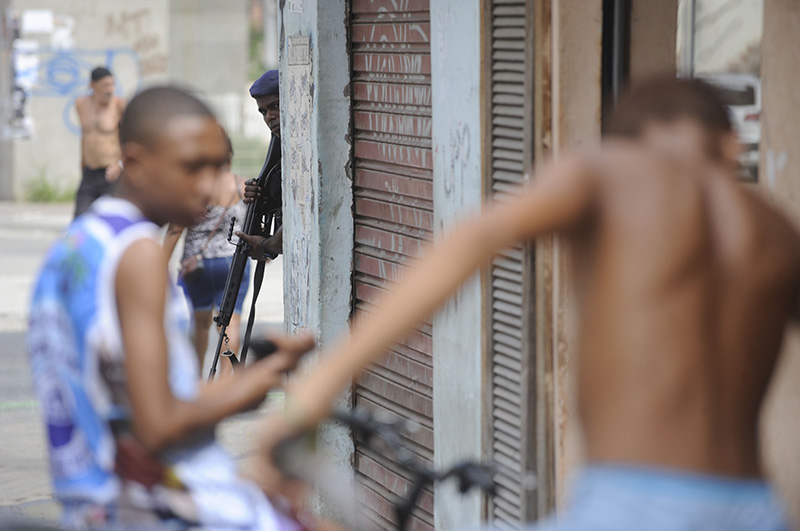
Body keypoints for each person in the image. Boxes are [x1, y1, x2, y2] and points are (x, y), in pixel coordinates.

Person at [255, 77, 798, 529]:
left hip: (632, 507)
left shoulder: (609, 168)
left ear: (629, 138)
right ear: (730, 144)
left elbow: (473, 241)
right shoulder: (775, 229)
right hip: (754, 509)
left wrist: (315, 391)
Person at [27, 86, 317, 529]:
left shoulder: (76, 246)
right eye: (192, 167)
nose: (211, 184)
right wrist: (254, 383)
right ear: (138, 162)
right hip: (161, 509)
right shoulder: (137, 254)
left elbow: (131, 406)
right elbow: (159, 426)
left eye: (219, 167)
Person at [163, 127, 250, 376]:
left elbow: (174, 230)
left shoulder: (194, 189)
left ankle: (195, 380)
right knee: (230, 323)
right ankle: (226, 381)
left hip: (196, 264)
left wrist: (160, 266)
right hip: (233, 262)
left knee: (200, 324)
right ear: (230, 155)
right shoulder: (242, 186)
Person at [236, 69, 284, 261]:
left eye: (276, 106)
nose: (268, 117)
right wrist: (259, 194)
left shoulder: (308, 154)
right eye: (263, 111)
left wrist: (264, 246)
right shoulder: (282, 149)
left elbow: (299, 221)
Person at [73, 67, 126, 218]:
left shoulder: (118, 106)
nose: (110, 90)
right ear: (92, 85)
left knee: (111, 222)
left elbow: (131, 138)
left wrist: (121, 164)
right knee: (80, 221)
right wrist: (82, 166)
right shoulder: (81, 105)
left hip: (111, 174)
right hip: (90, 173)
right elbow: (85, 137)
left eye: (112, 85)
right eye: (105, 86)